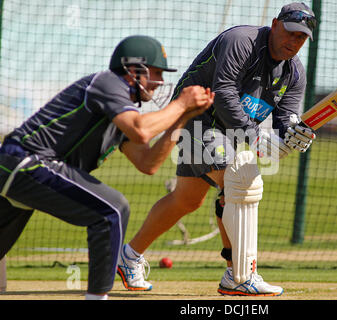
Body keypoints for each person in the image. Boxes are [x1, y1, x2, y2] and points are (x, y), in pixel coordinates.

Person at [118, 2, 317, 296]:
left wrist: (293, 134)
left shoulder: (294, 73)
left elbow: (284, 118)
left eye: (301, 38)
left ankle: (128, 256)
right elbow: (223, 91)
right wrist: (255, 137)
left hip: (229, 131)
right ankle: (239, 275)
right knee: (240, 182)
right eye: (290, 32)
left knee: (186, 200)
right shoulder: (242, 41)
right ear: (275, 24)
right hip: (197, 115)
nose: (293, 42)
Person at [0, 35, 214, 300]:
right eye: (156, 73)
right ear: (133, 69)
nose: (160, 81)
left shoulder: (121, 109)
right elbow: (141, 131)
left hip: (22, 169)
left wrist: (182, 117)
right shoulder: (108, 83)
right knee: (112, 209)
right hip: (26, 161)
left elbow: (148, 163)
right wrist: (180, 104)